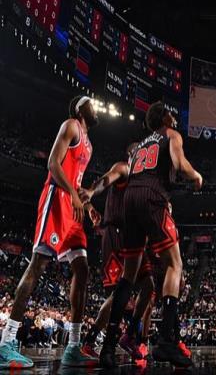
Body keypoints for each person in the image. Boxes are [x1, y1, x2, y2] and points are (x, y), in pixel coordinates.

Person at [99, 102, 202, 368]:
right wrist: (196, 176)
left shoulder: (140, 146)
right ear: (164, 118)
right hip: (151, 198)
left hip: (129, 202)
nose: (174, 117)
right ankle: (166, 340)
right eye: (171, 113)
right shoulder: (171, 135)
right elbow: (180, 165)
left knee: (128, 276)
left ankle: (108, 347)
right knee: (175, 265)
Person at [0, 96, 99, 369]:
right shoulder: (71, 125)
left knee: (82, 269)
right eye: (91, 104)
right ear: (80, 109)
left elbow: (75, 180)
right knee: (38, 264)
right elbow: (53, 164)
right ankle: (6, 343)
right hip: (56, 199)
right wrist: (73, 196)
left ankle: (74, 346)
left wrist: (88, 205)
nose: (95, 108)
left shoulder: (89, 144)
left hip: (73, 207)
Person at [79, 145, 155, 360]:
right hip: (116, 234)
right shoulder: (123, 168)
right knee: (118, 293)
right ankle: (91, 339)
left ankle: (129, 335)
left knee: (148, 285)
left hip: (134, 237)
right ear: (133, 155)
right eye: (142, 153)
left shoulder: (143, 183)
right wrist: (91, 192)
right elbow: (105, 180)